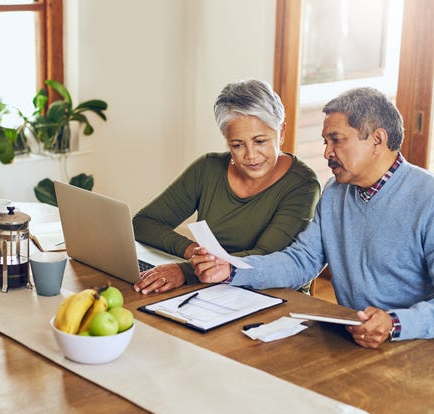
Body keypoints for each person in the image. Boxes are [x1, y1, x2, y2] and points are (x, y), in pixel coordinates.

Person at [192, 87, 434, 349]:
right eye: (325, 142)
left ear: (377, 140)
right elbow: (301, 261)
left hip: (415, 346)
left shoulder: (427, 198)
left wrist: (395, 323)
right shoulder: (335, 192)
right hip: (355, 341)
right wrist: (230, 269)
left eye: (336, 140)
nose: (327, 153)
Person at [133, 79, 321, 294]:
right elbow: (144, 223)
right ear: (226, 139)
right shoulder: (208, 168)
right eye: (237, 145)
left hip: (272, 294)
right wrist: (194, 253)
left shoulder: (302, 184)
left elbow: (267, 256)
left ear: (282, 132)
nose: (251, 155)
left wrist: (186, 271)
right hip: (212, 288)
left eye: (260, 141)